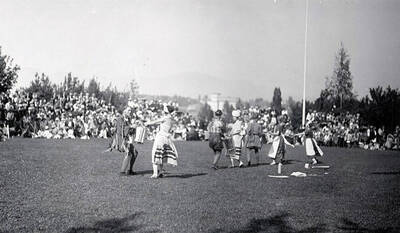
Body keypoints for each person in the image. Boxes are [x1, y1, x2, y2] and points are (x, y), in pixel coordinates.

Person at [145, 105, 178, 178]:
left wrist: (147, 123)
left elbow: (156, 121)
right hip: (167, 137)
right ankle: (160, 171)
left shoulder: (166, 118)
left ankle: (155, 173)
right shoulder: (170, 118)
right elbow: (159, 122)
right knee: (161, 154)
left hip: (161, 137)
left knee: (155, 153)